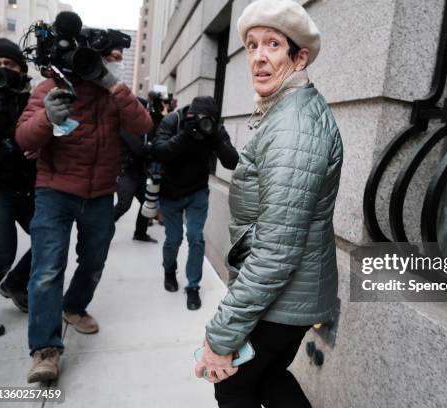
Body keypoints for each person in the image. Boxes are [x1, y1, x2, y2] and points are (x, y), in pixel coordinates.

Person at [195, 1, 343, 406]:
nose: (258, 57)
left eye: (273, 44)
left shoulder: (294, 125)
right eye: (252, 45)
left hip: (284, 297)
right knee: (266, 378)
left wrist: (221, 334)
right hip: (289, 295)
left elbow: (277, 252)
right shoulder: (286, 111)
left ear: (300, 57)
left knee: (233, 384)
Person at [16, 43, 153, 383]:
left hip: (100, 195)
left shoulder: (112, 94)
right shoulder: (50, 87)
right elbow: (23, 138)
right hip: (54, 192)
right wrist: (47, 117)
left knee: (93, 262)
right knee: (47, 269)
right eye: (109, 59)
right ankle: (45, 350)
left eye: (113, 61)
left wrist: (113, 85)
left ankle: (74, 306)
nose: (110, 64)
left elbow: (143, 125)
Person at [150, 96, 238, 309]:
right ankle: (169, 271)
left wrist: (215, 135)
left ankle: (193, 287)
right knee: (173, 239)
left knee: (195, 237)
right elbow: (158, 152)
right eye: (198, 119)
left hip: (197, 191)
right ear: (189, 115)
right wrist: (184, 135)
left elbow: (232, 161)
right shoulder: (174, 121)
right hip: (170, 193)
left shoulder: (215, 128)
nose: (202, 123)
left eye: (207, 120)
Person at [0, 38, 35, 338]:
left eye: (9, 64)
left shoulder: (31, 99)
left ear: (21, 68)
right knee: (1, 253)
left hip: (28, 186)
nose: (3, 69)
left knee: (48, 240)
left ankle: (16, 285)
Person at [113, 95, 166, 243]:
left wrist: (150, 148)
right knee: (124, 204)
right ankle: (102, 229)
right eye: (144, 110)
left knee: (147, 203)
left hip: (139, 173)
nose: (146, 113)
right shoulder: (125, 126)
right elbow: (139, 149)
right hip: (126, 172)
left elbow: (150, 146)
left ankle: (140, 233)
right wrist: (150, 148)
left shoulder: (143, 128)